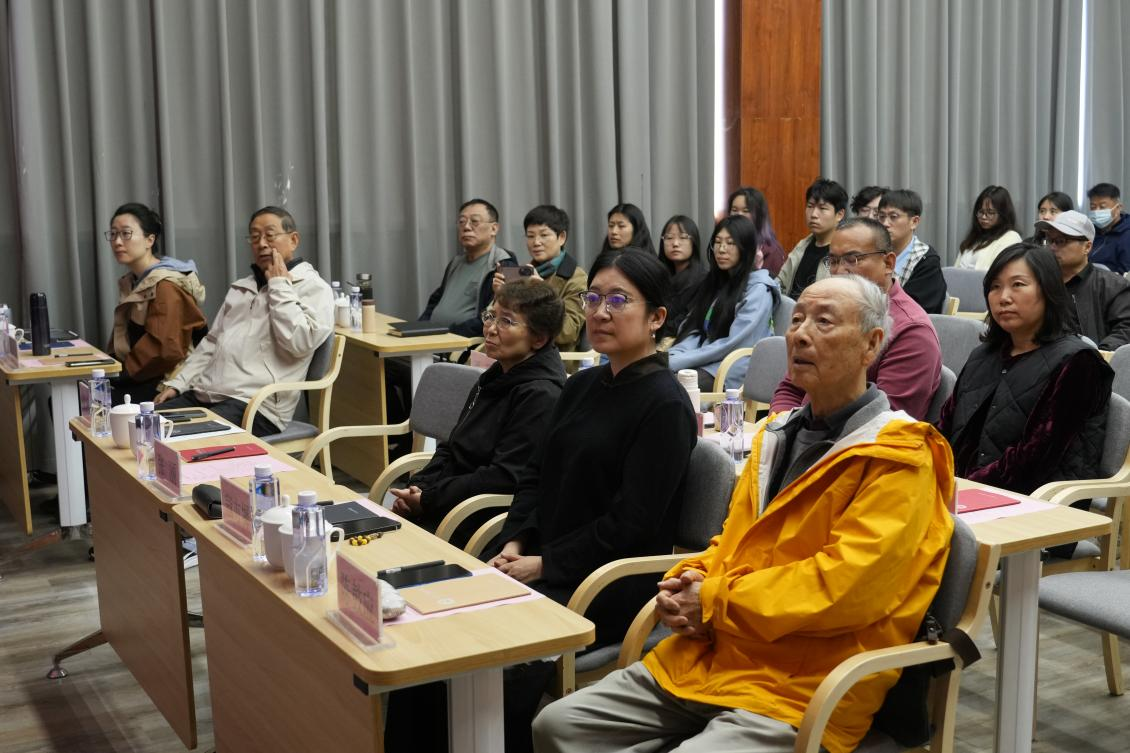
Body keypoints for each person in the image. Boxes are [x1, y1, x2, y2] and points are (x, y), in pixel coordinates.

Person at [533, 274, 955, 753]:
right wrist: (688, 580)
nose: (800, 334)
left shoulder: (900, 456)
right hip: (719, 653)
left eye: (824, 322)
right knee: (557, 726)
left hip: (805, 683)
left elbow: (845, 590)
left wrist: (712, 601)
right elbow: (734, 544)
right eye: (797, 319)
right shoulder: (776, 435)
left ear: (871, 345)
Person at [489, 249, 697, 753]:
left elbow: (632, 524)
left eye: (618, 301)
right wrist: (516, 541)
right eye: (593, 298)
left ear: (656, 318)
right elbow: (536, 474)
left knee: (491, 656)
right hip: (544, 558)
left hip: (608, 580)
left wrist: (545, 564)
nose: (600, 313)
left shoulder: (666, 404)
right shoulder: (581, 384)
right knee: (445, 629)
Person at [388, 281, 566, 543]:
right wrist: (419, 487)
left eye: (506, 321)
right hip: (448, 502)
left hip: (477, 518)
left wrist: (429, 498)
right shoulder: (495, 375)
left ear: (539, 339)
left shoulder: (541, 395)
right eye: (491, 316)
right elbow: (453, 446)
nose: (491, 329)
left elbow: (502, 477)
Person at [938, 242, 1112, 494]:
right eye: (995, 287)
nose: (1004, 297)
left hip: (1036, 500)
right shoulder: (984, 355)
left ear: (1048, 290)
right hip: (965, 491)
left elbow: (1035, 458)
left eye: (1018, 284)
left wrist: (963, 487)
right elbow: (946, 427)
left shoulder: (1078, 362)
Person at [155, 206, 334, 436]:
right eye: (255, 237)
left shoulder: (314, 288)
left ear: (293, 240)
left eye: (270, 235)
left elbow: (299, 342)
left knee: (178, 436)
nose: (262, 244)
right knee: (143, 425)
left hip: (257, 405)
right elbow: (211, 343)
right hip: (207, 393)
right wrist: (179, 383)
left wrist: (279, 285)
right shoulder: (242, 287)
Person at [772, 218, 941, 420]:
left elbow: (884, 420)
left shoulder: (912, 331)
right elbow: (791, 389)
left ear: (888, 263)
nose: (839, 271)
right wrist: (782, 430)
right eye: (833, 261)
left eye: (852, 259)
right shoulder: (824, 309)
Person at [105, 202, 207, 405]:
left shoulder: (166, 285)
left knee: (82, 402)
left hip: (166, 381)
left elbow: (164, 350)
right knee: (77, 394)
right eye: (113, 234)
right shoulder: (134, 281)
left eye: (126, 233)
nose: (117, 241)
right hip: (141, 374)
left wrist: (119, 375)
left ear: (149, 240)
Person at [667, 215, 780, 390]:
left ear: (746, 248)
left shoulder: (758, 290)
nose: (721, 249)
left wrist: (678, 361)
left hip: (732, 368)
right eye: (718, 242)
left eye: (730, 243)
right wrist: (676, 354)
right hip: (709, 358)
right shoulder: (717, 283)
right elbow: (696, 329)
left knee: (669, 386)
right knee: (656, 376)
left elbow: (733, 344)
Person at [488, 205, 586, 350]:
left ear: (561, 237)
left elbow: (568, 331)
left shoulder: (577, 278)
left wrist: (543, 292)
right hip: (515, 350)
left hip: (554, 355)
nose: (536, 242)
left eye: (544, 235)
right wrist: (500, 295)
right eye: (530, 236)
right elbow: (492, 322)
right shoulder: (522, 274)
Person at [420, 198, 516, 337]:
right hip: (434, 337)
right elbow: (436, 301)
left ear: (494, 228)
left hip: (464, 342)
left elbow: (493, 315)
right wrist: (420, 327)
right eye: (461, 222)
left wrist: (450, 334)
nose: (466, 227)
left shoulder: (503, 265)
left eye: (474, 221)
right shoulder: (456, 262)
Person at [1041, 210, 1130, 351]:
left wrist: (1097, 355)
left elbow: (1124, 329)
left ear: (1087, 247)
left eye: (1060, 241)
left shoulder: (1114, 286)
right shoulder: (1039, 283)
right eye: (1049, 241)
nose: (1052, 247)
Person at [876, 189, 947, 313]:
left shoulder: (926, 260)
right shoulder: (873, 251)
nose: (885, 223)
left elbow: (918, 310)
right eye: (881, 217)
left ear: (914, 222)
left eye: (893, 217)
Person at [777, 177, 847, 299]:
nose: (814, 214)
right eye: (810, 206)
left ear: (839, 215)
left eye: (822, 208)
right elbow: (780, 283)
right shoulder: (802, 246)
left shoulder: (844, 253)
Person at [657, 215, 707, 340]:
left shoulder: (703, 279)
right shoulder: (657, 276)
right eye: (669, 238)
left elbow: (686, 322)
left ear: (694, 241)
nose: (675, 243)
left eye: (683, 237)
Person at [955, 185, 1022, 270]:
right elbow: (956, 269)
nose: (983, 217)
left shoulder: (1011, 237)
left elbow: (1000, 271)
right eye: (981, 212)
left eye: (990, 212)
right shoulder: (974, 238)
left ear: (1003, 214)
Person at [727, 186, 786, 276]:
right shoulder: (723, 244)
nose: (739, 215)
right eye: (734, 210)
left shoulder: (773, 252)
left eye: (745, 211)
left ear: (759, 216)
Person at [1088, 183, 1130, 274]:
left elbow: (1125, 274)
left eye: (1102, 207)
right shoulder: (1090, 231)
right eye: (1093, 207)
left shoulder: (1127, 235)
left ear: (1118, 208)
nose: (1096, 211)